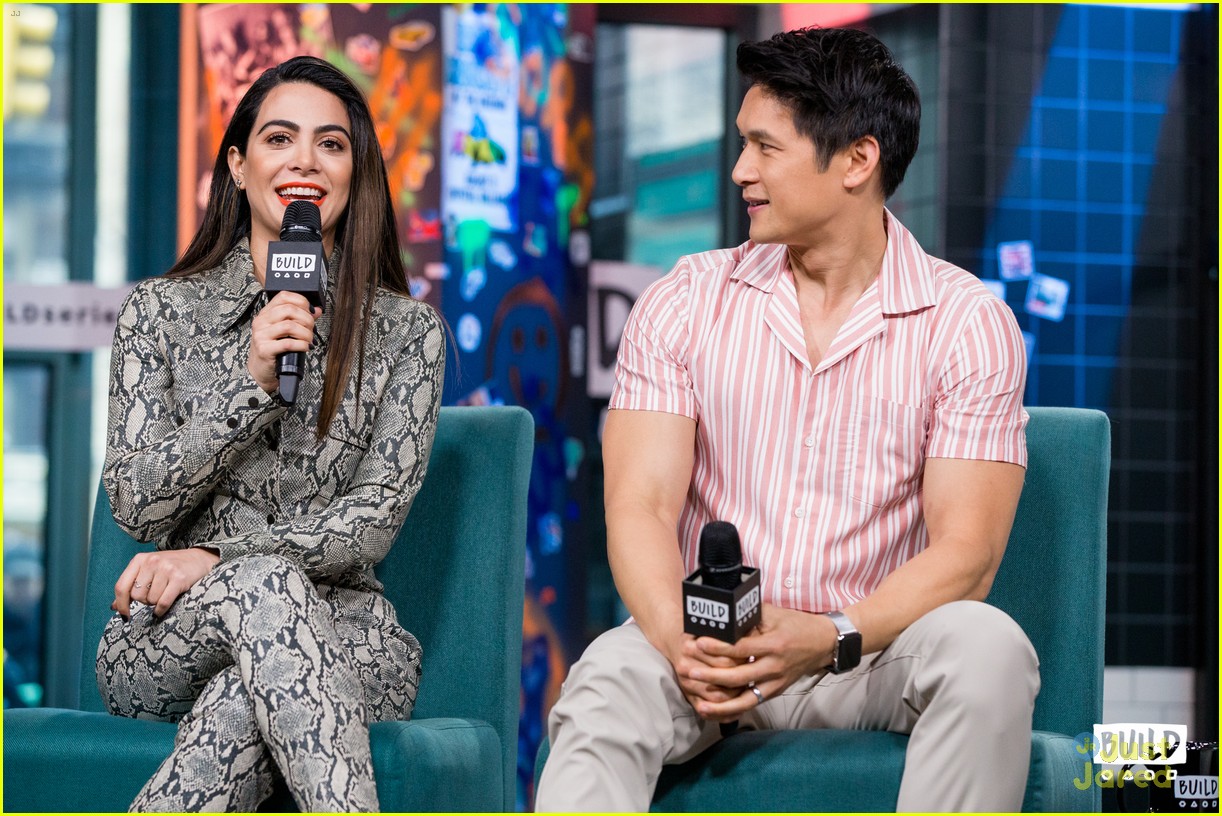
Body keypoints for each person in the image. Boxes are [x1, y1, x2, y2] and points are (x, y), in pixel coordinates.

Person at [536, 27, 1038, 813]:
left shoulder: (967, 323)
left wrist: (834, 633)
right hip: (706, 644)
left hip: (869, 652)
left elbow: (968, 553)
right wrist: (680, 644)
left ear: (856, 161)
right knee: (605, 680)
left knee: (990, 651)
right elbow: (640, 505)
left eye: (765, 148)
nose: (740, 170)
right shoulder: (686, 299)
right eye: (743, 145)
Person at [96, 56, 445, 812]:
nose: (304, 162)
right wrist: (249, 382)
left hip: (352, 638)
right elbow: (134, 504)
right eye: (280, 138)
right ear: (238, 165)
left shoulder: (407, 334)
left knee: (242, 687)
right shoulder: (159, 312)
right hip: (168, 637)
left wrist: (216, 557)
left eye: (331, 144)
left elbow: (373, 519)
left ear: (356, 171)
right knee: (264, 586)